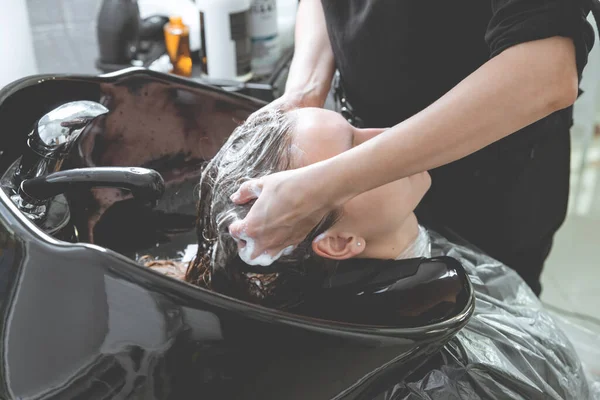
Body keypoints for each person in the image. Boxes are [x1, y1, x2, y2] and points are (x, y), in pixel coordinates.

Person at [226, 0, 598, 295]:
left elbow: (544, 70)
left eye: (352, 140)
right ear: (339, 243)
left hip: (493, 174)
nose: (379, 133)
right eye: (352, 138)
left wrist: (327, 183)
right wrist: (304, 91)